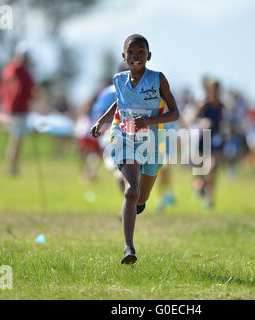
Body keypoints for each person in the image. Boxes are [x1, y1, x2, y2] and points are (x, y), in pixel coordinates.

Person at [90, 34, 180, 264]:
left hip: (152, 141)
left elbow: (175, 113)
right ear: (124, 56)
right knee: (131, 190)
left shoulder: (158, 79)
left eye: (141, 53)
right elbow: (118, 104)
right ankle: (128, 248)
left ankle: (139, 203)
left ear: (148, 56)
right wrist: (101, 122)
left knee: (142, 196)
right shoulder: (119, 80)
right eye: (131, 52)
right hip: (124, 138)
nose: (136, 56)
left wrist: (148, 122)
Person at [0, 43, 36, 175]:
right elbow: (26, 91)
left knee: (14, 140)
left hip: (10, 109)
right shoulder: (21, 72)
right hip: (18, 110)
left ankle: (12, 167)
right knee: (17, 140)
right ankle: (13, 169)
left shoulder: (7, 69)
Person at [194, 79, 226, 210]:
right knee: (203, 170)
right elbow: (193, 119)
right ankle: (200, 185)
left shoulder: (222, 105)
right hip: (203, 140)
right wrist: (202, 122)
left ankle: (209, 199)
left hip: (216, 141)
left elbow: (226, 121)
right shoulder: (204, 105)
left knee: (211, 168)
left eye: (216, 89)